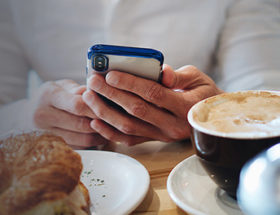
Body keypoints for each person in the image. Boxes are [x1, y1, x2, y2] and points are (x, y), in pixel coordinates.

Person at [0, 0, 279, 148]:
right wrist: (26, 119)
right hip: (59, 171)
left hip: (181, 172)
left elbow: (266, 88)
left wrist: (210, 116)